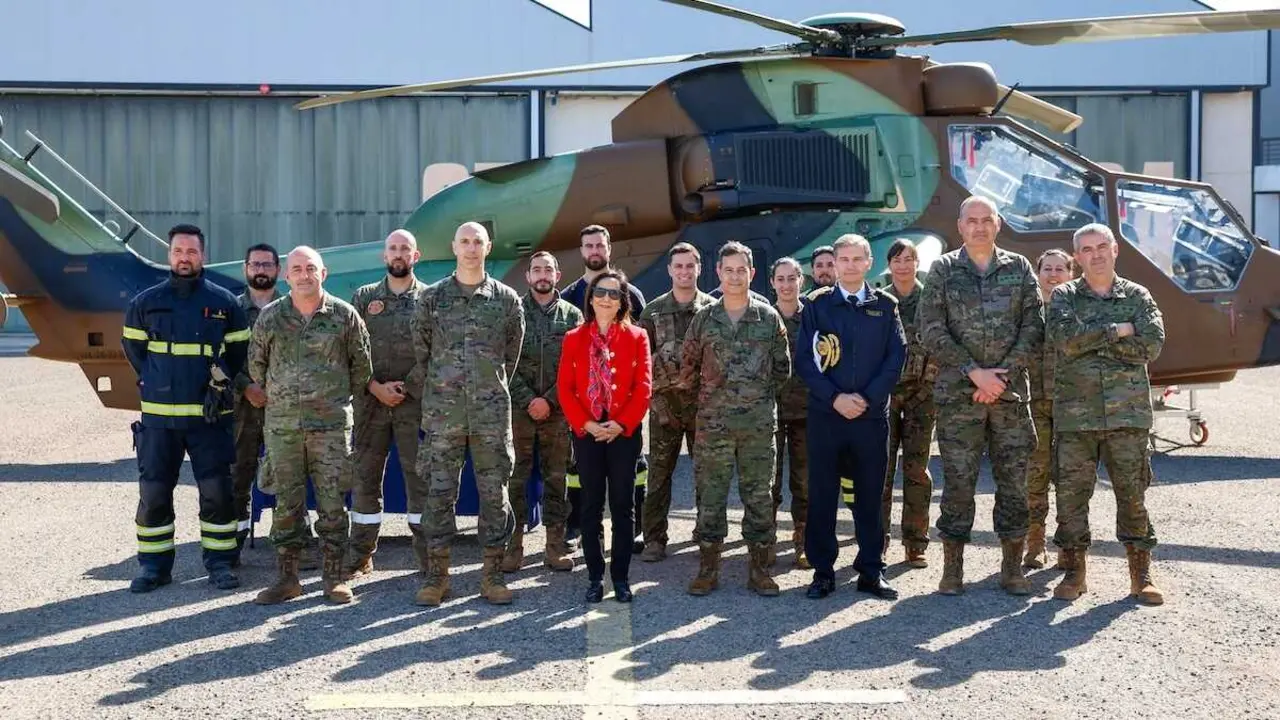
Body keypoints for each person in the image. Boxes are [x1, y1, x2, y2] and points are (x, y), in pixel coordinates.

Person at [918, 195, 1043, 597]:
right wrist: (974, 373)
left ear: (998, 224)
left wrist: (1000, 378)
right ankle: (952, 569)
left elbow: (1033, 325)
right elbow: (931, 328)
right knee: (957, 483)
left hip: (1008, 396)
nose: (979, 227)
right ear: (960, 226)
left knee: (1013, 483)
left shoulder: (1019, 268)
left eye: (986, 220)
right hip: (959, 398)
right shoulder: (942, 269)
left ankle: (1012, 568)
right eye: (971, 220)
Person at [121, 223, 251, 593]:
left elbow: (238, 352)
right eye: (178, 251)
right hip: (160, 420)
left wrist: (218, 382)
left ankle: (221, 563)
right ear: (169, 254)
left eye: (191, 252)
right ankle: (154, 568)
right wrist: (159, 380)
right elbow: (135, 352)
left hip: (209, 418)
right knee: (154, 493)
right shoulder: (145, 303)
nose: (184, 258)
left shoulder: (225, 302)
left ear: (202, 256)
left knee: (216, 493)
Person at [248, 246, 373, 605]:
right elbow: (257, 366)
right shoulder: (271, 317)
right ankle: (287, 579)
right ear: (287, 277)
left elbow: (362, 368)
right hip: (284, 426)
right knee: (287, 504)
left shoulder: (344, 316)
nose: (304, 275)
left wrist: (328, 398)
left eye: (311, 268)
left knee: (333, 504)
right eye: (297, 269)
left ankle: (334, 578)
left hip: (331, 427)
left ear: (324, 273)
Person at [1047, 223, 1164, 605]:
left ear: (1115, 250)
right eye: (1086, 249)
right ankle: (1075, 571)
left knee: (1132, 495)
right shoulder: (1065, 295)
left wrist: (1092, 341)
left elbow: (1152, 345)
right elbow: (1065, 341)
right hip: (1075, 417)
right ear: (1076, 256)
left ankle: (1140, 574)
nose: (1094, 254)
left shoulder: (1137, 295)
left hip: (1127, 416)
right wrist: (1118, 331)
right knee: (1071, 497)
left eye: (1101, 247)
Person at [412, 221, 524, 607]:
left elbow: (512, 355)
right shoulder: (431, 299)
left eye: (478, 242)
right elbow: (422, 352)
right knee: (439, 496)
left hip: (491, 416)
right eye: (465, 241)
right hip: (443, 417)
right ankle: (437, 577)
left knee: (495, 497)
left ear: (488, 247)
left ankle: (492, 575)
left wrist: (486, 388)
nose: (472, 248)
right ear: (454, 247)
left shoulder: (507, 300)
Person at [795, 234, 906, 600]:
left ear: (869, 262)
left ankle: (871, 570)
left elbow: (896, 357)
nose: (851, 265)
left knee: (871, 496)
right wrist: (835, 398)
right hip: (827, 416)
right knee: (823, 494)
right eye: (844, 259)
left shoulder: (886, 306)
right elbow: (806, 362)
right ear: (835, 263)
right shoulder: (817, 306)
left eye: (858, 259)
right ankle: (823, 571)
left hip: (871, 417)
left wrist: (868, 398)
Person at [679, 242, 791, 597]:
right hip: (714, 427)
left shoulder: (768, 318)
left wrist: (753, 399)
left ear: (752, 274)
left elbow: (782, 370)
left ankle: (759, 570)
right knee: (710, 497)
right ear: (719, 274)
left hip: (757, 428)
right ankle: (708, 568)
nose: (735, 276)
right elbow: (689, 367)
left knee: (759, 497)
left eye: (741, 270)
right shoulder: (704, 318)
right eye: (728, 270)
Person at [557, 270, 652, 603]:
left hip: (623, 434)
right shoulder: (573, 338)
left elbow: (643, 388)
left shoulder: (637, 336)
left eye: (614, 294)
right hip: (587, 434)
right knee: (590, 507)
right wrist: (585, 424)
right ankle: (596, 577)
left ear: (622, 300)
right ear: (591, 297)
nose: (606, 299)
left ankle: (622, 578)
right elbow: (565, 390)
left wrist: (622, 424)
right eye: (601, 292)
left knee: (623, 507)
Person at [343, 230, 429, 580]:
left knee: (419, 478)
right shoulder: (364, 298)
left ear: (415, 256)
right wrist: (375, 387)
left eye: (404, 249)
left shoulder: (430, 299)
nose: (398, 254)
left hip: (414, 405)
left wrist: (407, 387)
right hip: (370, 404)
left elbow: (435, 353)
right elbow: (352, 350)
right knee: (364, 478)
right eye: (392, 249)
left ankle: (427, 556)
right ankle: (361, 554)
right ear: (384, 256)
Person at [561, 224, 648, 551]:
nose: (594, 251)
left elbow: (643, 350)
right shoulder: (569, 298)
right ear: (581, 251)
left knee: (634, 468)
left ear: (609, 249)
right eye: (588, 246)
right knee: (578, 468)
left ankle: (635, 527)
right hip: (583, 407)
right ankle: (576, 526)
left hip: (625, 406)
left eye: (600, 245)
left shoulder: (632, 295)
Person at [637, 242, 714, 563]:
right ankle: (655, 539)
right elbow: (640, 362)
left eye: (689, 266)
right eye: (678, 266)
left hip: (704, 408)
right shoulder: (652, 311)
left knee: (707, 474)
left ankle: (706, 531)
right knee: (658, 475)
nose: (684, 271)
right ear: (670, 270)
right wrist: (654, 403)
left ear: (699, 269)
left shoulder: (712, 310)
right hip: (664, 408)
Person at [505, 251, 581, 573]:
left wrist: (549, 400)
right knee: (516, 478)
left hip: (559, 410)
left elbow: (576, 366)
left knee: (556, 478)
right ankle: (514, 546)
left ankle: (554, 545)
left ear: (558, 275)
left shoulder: (573, 316)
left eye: (548, 269)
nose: (542, 275)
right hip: (520, 411)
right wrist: (528, 400)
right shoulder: (514, 312)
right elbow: (505, 362)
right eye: (536, 269)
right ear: (528, 276)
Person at [880, 239, 938, 569]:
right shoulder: (880, 300)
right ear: (889, 265)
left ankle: (915, 543)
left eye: (909, 259)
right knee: (881, 471)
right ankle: (878, 542)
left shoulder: (930, 299)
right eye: (897, 260)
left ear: (917, 263)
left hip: (922, 396)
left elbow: (942, 343)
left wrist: (926, 384)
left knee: (916, 471)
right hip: (885, 397)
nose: (903, 266)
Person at [1024, 248, 1075, 569]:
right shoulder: (1026, 311)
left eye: (1060, 269)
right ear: (1037, 272)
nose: (1053, 274)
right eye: (1047, 269)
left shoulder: (1079, 310)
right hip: (1032, 405)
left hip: (1071, 407)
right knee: (1035, 476)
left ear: (1071, 274)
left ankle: (1068, 547)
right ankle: (1035, 544)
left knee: (1070, 479)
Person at [769, 256, 811, 570]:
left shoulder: (814, 316)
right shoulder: (763, 317)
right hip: (769, 410)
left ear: (801, 281)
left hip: (808, 412)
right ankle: (765, 542)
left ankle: (804, 542)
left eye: (791, 278)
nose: (786, 285)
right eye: (780, 279)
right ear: (772, 283)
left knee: (805, 482)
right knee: (769, 482)